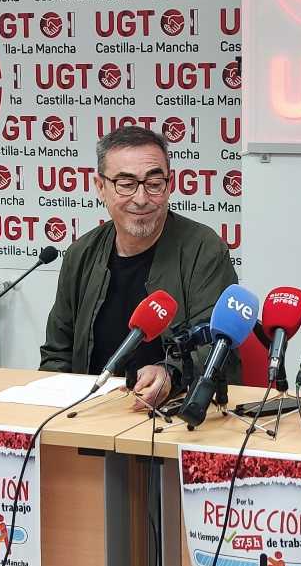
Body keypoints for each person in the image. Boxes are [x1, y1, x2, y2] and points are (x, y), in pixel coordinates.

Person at [40, 125, 239, 407]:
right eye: (126, 184)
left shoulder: (203, 249)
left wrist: (171, 373)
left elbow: (218, 346)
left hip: (177, 412)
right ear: (100, 187)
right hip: (91, 415)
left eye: (154, 184)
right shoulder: (81, 253)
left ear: (169, 186)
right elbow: (57, 354)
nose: (142, 198)